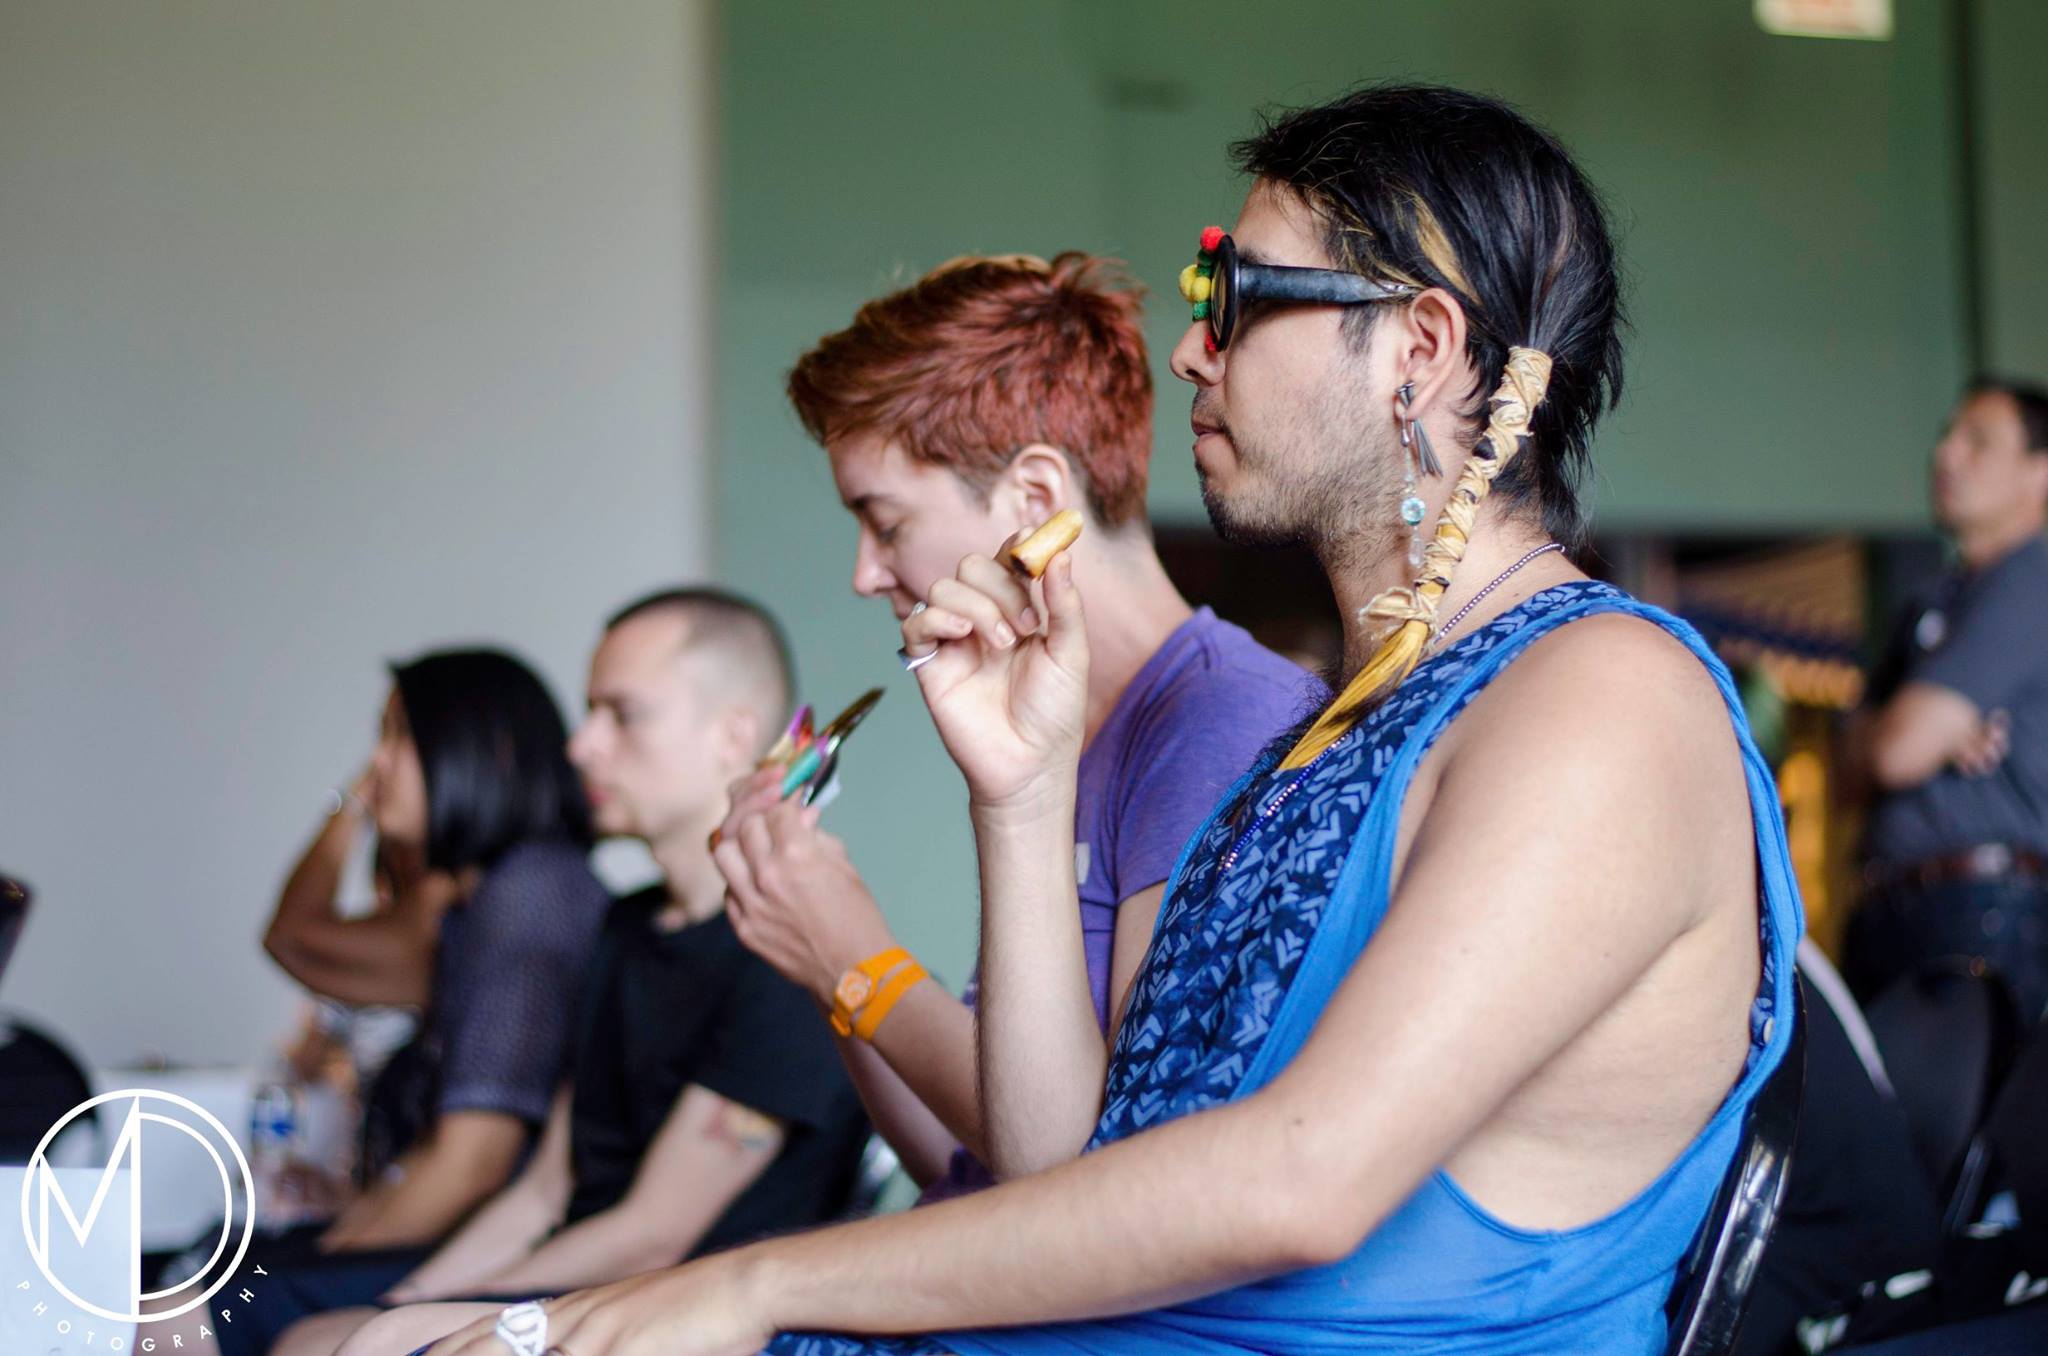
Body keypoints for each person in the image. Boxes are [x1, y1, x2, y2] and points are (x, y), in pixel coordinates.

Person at [422, 82, 1800, 1356]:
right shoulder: (1331, 736)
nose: (1194, 350)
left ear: (1421, 351)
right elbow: (1064, 1164)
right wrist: (1017, 803)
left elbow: (1304, 1181)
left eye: (1241, 294)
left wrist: (759, 1278)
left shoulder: (1605, 696)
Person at [711, 251, 1313, 1196]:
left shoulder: (1224, 723)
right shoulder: (1053, 733)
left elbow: (1100, 1169)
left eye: (885, 520)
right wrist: (824, 956)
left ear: (1034, 501)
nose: (865, 574)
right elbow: (966, 1161)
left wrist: (855, 954)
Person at [310, 590, 869, 1356]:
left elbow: (653, 1234)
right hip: (578, 1285)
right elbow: (546, 1187)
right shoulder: (624, 925)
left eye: (623, 714)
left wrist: (459, 1319)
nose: (582, 748)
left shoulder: (785, 949)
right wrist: (411, 1299)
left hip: (689, 1314)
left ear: (734, 733)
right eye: (589, 713)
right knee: (349, 1332)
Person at [207, 648, 612, 1356]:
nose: (377, 766)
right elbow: (297, 940)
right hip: (461, 1238)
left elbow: (471, 1167)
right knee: (214, 1265)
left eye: (400, 736)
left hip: (497, 1256)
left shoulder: (529, 900)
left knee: (198, 1305)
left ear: (487, 753)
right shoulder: (482, 904)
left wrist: (328, 1252)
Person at [1844, 380, 2048, 1021]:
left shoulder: (2031, 577)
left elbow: (1893, 754)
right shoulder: (1933, 601)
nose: (1947, 455)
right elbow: (1848, 766)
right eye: (1947, 437)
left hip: (1985, 910)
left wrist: (1899, 731)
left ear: (2039, 473)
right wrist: (1913, 728)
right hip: (1897, 906)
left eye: (1979, 443)